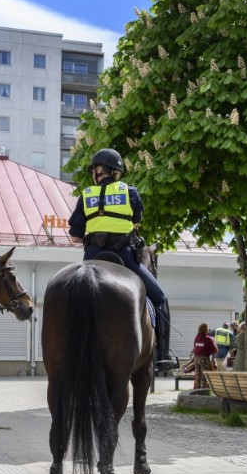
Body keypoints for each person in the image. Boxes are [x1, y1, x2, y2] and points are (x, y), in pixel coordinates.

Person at [67, 148, 171, 368]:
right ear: (116, 172)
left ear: (95, 173)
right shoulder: (130, 192)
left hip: (92, 256)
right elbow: (135, 222)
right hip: (124, 256)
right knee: (160, 299)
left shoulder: (85, 196)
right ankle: (162, 356)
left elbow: (75, 238)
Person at [191, 323, 218, 389]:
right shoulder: (208, 339)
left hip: (196, 359)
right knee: (205, 376)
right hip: (204, 359)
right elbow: (215, 350)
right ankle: (204, 390)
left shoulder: (196, 338)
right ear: (206, 330)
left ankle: (197, 389)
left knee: (198, 375)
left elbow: (195, 346)